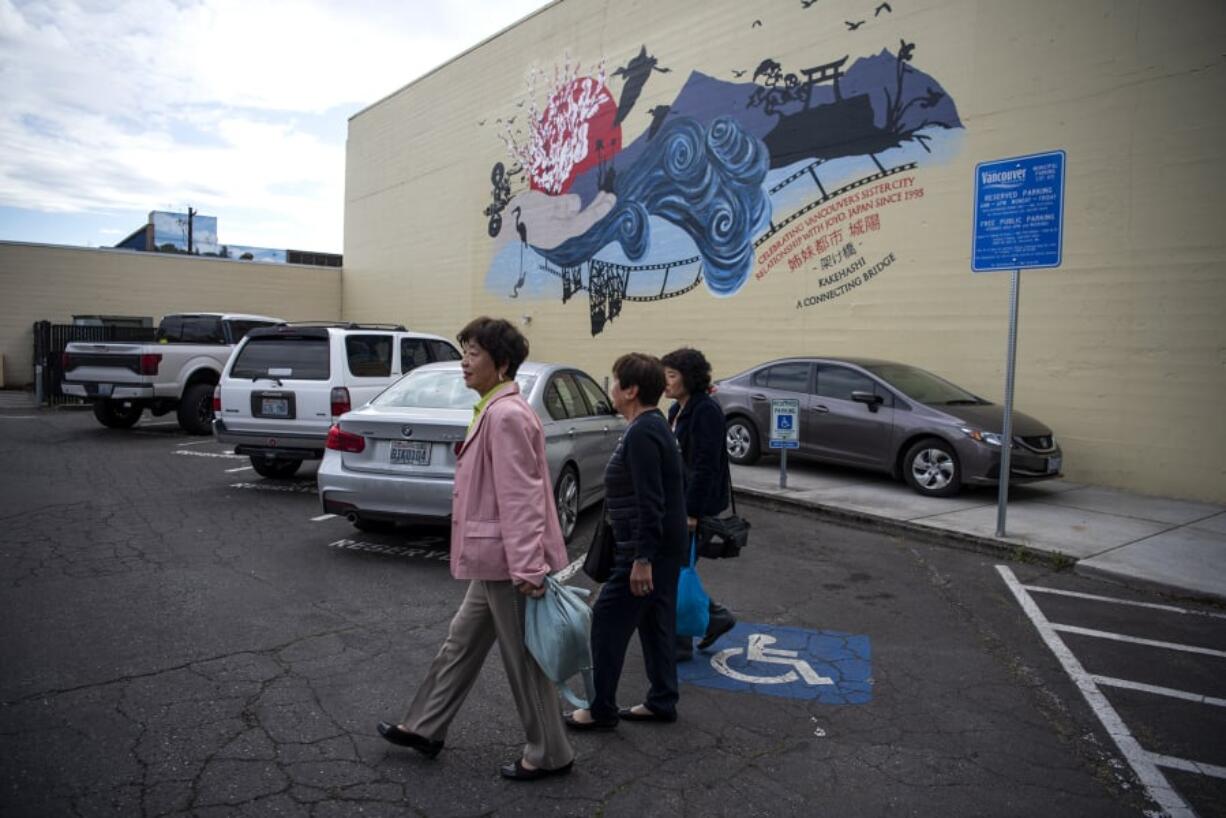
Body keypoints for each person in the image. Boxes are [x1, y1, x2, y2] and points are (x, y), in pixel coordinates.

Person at [377, 316, 575, 782]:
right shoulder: (493, 407)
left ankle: (551, 753)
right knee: (459, 644)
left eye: (474, 354)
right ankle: (425, 727)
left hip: (509, 565)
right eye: (463, 351)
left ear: (501, 364)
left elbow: (521, 498)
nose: (464, 362)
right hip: (494, 561)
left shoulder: (505, 415)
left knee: (524, 660)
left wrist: (528, 567)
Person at [566, 353, 688, 729]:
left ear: (631, 390)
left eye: (616, 382)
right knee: (655, 622)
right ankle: (662, 699)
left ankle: (601, 709)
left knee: (606, 620)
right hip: (660, 547)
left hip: (643, 549)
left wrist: (641, 558)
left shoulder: (644, 432)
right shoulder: (652, 427)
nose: (611, 389)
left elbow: (651, 500)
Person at [661, 347, 737, 661]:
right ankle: (715, 618)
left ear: (689, 378)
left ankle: (680, 643)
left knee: (677, 569)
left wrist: (692, 511)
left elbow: (706, 465)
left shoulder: (706, 410)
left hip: (695, 504)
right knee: (676, 568)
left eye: (672, 375)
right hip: (677, 501)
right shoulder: (675, 411)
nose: (665, 381)